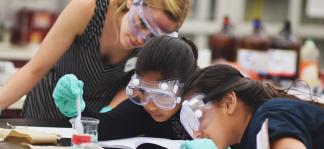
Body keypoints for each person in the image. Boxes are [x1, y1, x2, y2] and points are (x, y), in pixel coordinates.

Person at [0, 0, 191, 120]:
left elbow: (131, 87)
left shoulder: (151, 45)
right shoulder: (87, 8)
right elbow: (35, 68)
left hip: (93, 123)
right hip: (45, 113)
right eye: (141, 23)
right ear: (133, 2)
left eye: (153, 35)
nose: (141, 38)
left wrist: (104, 120)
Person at [180, 64, 324, 149]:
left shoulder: (271, 112)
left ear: (229, 102)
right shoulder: (246, 139)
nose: (196, 134)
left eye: (199, 116)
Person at [53, 35, 198, 142]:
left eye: (163, 96)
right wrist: (77, 109)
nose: (151, 106)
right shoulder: (142, 108)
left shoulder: (203, 110)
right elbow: (106, 128)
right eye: (143, 91)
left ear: (186, 89)